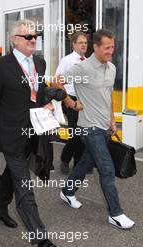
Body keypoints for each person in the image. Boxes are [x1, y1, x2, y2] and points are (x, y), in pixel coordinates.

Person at [0, 19, 63, 247]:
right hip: (11, 134)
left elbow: (36, 93)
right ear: (14, 40)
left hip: (33, 132)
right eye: (28, 37)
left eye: (35, 36)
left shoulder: (40, 62)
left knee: (12, 176)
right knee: (24, 185)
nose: (33, 40)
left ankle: (1, 208)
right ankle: (41, 237)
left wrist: (48, 100)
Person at [57, 29, 135, 230]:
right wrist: (71, 103)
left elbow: (108, 96)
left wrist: (112, 121)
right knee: (107, 168)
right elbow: (57, 82)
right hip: (88, 128)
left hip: (104, 127)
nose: (111, 50)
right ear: (96, 47)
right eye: (107, 47)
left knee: (85, 162)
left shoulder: (112, 68)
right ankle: (115, 214)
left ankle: (67, 191)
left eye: (113, 47)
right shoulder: (82, 68)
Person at [56, 32, 88, 174]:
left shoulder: (87, 61)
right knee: (76, 133)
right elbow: (56, 82)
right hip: (71, 100)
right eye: (80, 42)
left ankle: (79, 165)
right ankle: (65, 159)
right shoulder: (67, 60)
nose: (84, 45)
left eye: (85, 43)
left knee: (83, 133)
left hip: (84, 100)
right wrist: (67, 100)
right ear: (74, 44)